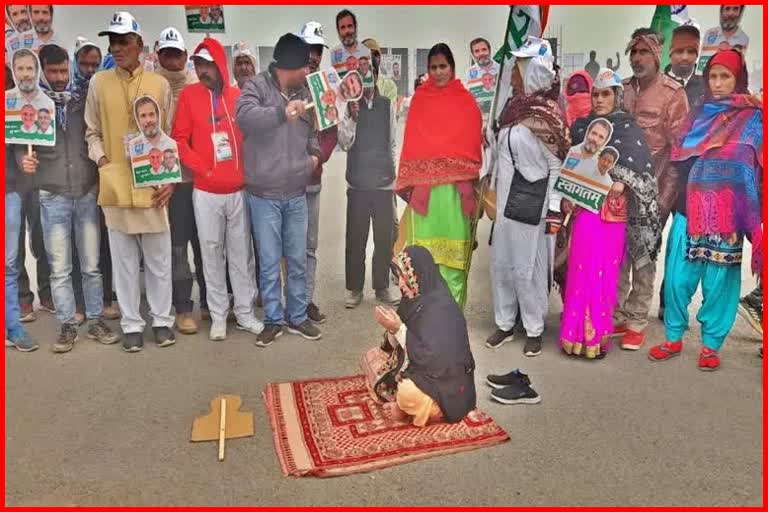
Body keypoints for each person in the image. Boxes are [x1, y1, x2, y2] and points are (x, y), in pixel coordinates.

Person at [649, 49, 762, 371]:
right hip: (689, 209)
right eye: (713, 76)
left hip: (729, 216)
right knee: (677, 279)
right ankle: (673, 336)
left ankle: (711, 344)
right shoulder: (698, 115)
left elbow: (758, 167)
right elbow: (679, 158)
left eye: (725, 76)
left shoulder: (754, 118)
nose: (718, 83)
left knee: (719, 284)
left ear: (737, 78)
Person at [17, 43, 119, 353]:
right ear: (42, 72)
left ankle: (95, 321)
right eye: (53, 71)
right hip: (52, 195)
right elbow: (21, 144)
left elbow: (96, 137)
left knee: (91, 265)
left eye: (63, 71)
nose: (60, 77)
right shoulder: (33, 106)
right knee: (60, 267)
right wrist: (25, 158)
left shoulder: (82, 100)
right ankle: (67, 325)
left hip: (86, 193)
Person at [84, 11, 176, 353]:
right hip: (116, 185)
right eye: (113, 41)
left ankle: (162, 321)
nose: (116, 47)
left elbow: (169, 135)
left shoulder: (159, 85)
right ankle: (132, 324)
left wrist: (170, 179)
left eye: (123, 41)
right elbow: (91, 132)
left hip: (154, 184)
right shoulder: (99, 82)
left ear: (139, 45)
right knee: (122, 260)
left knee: (158, 259)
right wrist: (104, 161)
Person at [560, 68, 660, 359]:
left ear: (617, 96)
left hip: (612, 216)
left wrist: (622, 181)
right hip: (585, 213)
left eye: (606, 94)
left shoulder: (628, 129)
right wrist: (569, 194)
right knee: (581, 270)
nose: (600, 99)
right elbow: (571, 168)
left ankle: (596, 338)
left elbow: (642, 171)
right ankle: (574, 335)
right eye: (596, 94)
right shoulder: (582, 128)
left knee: (605, 273)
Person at [173, 38, 263, 342]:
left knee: (241, 256)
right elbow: (179, 139)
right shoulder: (188, 96)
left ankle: (246, 313)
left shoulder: (239, 96)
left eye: (206, 64)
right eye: (197, 65)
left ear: (219, 65)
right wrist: (203, 166)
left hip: (238, 191)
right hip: (206, 191)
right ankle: (218, 315)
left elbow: (255, 135)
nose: (201, 71)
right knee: (211, 254)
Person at [485, 37, 569, 358]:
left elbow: (556, 165)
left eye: (519, 67)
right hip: (505, 202)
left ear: (533, 70)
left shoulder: (547, 113)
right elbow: (501, 153)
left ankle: (533, 327)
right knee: (501, 265)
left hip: (532, 203)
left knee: (529, 268)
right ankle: (505, 322)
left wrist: (552, 209)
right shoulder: (511, 108)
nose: (514, 74)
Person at [236, 33, 322, 346]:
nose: (308, 70)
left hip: (297, 193)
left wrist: (313, 158)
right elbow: (244, 118)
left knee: (297, 259)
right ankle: (273, 319)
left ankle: (297, 316)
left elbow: (314, 130)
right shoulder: (256, 87)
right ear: (291, 65)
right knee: (270, 261)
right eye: (305, 65)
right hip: (264, 196)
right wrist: (280, 113)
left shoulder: (306, 90)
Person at [613, 28, 688, 351]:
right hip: (617, 190)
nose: (637, 58)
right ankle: (616, 313)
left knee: (643, 259)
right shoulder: (622, 90)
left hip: (653, 192)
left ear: (657, 57)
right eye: (633, 52)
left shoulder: (672, 95)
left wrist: (664, 199)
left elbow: (679, 153)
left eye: (643, 52)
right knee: (617, 256)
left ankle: (637, 320)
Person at [395, 43, 482, 308]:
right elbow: (413, 146)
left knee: (454, 263)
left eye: (443, 66)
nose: (438, 71)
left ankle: (452, 318)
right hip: (427, 197)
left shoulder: (465, 101)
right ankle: (423, 316)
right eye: (433, 67)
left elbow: (473, 142)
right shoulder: (421, 99)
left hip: (455, 195)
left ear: (452, 67)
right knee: (424, 262)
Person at [373, 246, 476, 427]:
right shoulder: (414, 299)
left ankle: (419, 410)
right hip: (422, 367)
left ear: (418, 276)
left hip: (446, 383)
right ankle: (408, 406)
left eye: (405, 279)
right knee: (373, 358)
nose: (401, 286)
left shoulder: (441, 309)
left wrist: (398, 329)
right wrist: (391, 330)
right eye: (399, 279)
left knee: (407, 393)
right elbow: (395, 346)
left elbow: (433, 359)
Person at [154, 26, 209, 335]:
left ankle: (211, 304)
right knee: (177, 249)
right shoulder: (152, 86)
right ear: (159, 55)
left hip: (199, 179)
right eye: (166, 54)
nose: (172, 60)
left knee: (205, 246)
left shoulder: (197, 85)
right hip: (169, 182)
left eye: (177, 54)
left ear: (185, 56)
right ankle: (183, 308)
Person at [338, 40, 400, 309]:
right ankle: (354, 289)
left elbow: (392, 141)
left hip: (384, 184)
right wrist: (351, 117)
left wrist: (392, 172)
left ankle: (382, 287)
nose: (365, 83)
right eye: (359, 78)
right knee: (356, 238)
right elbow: (344, 143)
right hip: (358, 183)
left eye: (369, 76)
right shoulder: (350, 107)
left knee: (384, 239)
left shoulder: (387, 104)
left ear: (375, 77)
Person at [72, 36, 120, 321]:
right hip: (76, 182)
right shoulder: (65, 96)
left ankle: (104, 299)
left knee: (104, 244)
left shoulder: (102, 94)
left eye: (94, 64)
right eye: (84, 64)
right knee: (78, 248)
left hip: (102, 179)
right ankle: (79, 304)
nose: (90, 69)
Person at [10, 48, 55, 323]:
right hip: (13, 185)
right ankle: (23, 299)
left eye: (30, 68)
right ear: (13, 72)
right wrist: (18, 159)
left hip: (40, 184)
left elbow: (52, 144)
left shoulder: (47, 103)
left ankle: (47, 293)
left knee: (42, 241)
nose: (26, 74)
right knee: (14, 245)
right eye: (21, 69)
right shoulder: (6, 102)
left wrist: (36, 158)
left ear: (37, 71)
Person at [298, 20, 336, 324]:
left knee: (309, 246)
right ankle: (289, 303)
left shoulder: (326, 87)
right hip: (283, 182)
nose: (313, 55)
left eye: (317, 50)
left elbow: (331, 133)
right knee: (286, 247)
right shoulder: (285, 83)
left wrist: (316, 159)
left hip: (311, 180)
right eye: (308, 48)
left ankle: (306, 300)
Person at [5, 63, 38, 352]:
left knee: (9, 264)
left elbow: (17, 142)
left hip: (9, 191)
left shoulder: (11, 97)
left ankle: (13, 328)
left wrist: (22, 162)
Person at [698, 5, 749, 73]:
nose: (731, 13)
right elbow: (701, 70)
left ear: (740, 12)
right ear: (721, 11)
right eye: (727, 8)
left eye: (735, 9)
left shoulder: (744, 39)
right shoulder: (709, 34)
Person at [665, 24, 705, 107]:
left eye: (690, 52)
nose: (685, 57)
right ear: (670, 52)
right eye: (679, 51)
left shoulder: (706, 87)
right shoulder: (656, 84)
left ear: (697, 55)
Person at [331, 9, 371, 78]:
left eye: (350, 26)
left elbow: (369, 81)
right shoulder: (333, 54)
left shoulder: (366, 51)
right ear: (338, 31)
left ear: (355, 27)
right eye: (343, 27)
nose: (347, 31)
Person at [361, 38, 397, 105]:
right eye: (368, 54)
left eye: (375, 55)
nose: (372, 58)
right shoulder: (353, 84)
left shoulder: (389, 86)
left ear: (380, 57)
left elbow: (388, 111)